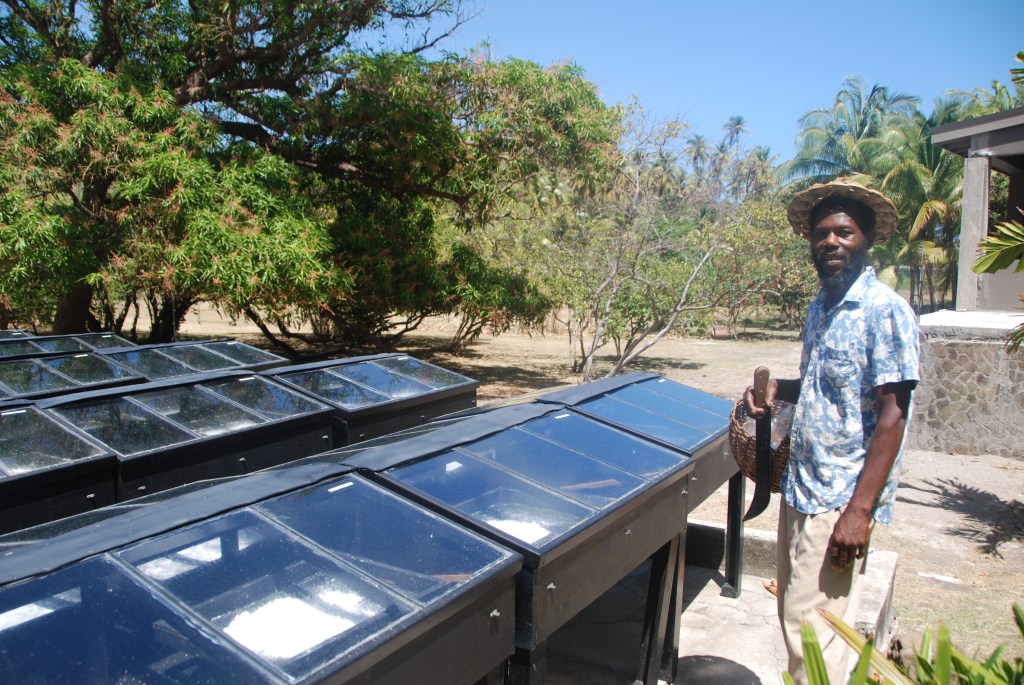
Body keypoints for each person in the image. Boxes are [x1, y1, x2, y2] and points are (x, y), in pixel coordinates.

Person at [744, 178, 920, 685]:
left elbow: (893, 415)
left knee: (816, 640)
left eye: (844, 232)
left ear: (866, 239)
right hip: (802, 487)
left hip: (840, 500)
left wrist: (859, 513)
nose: (831, 242)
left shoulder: (885, 311)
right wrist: (778, 387)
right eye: (822, 233)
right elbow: (825, 386)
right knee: (797, 622)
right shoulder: (820, 306)